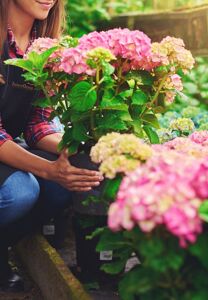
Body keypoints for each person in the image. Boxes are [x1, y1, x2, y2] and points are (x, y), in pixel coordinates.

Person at [0, 0, 102, 292]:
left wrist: (81, 150)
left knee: (64, 186)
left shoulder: (44, 49)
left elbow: (37, 126)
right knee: (20, 191)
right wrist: (47, 169)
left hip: (7, 149)